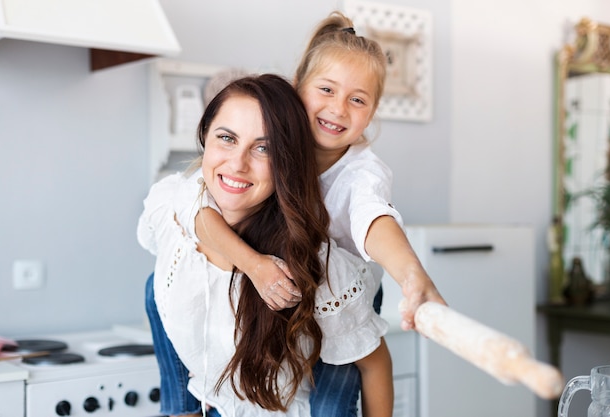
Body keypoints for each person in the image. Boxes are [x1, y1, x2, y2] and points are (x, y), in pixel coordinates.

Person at [194, 10, 447, 416]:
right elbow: (203, 210)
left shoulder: (363, 174)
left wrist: (412, 275)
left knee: (331, 402)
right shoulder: (270, 149)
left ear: (373, 110)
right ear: (298, 88)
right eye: (326, 90)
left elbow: (373, 218)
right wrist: (256, 266)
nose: (339, 109)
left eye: (358, 99)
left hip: (348, 289)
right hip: (294, 279)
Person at [138, 74, 392, 417]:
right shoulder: (170, 205)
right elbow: (189, 212)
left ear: (286, 161)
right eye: (227, 138)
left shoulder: (311, 263)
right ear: (205, 138)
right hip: (212, 407)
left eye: (263, 148)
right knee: (153, 288)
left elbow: (374, 364)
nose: (238, 164)